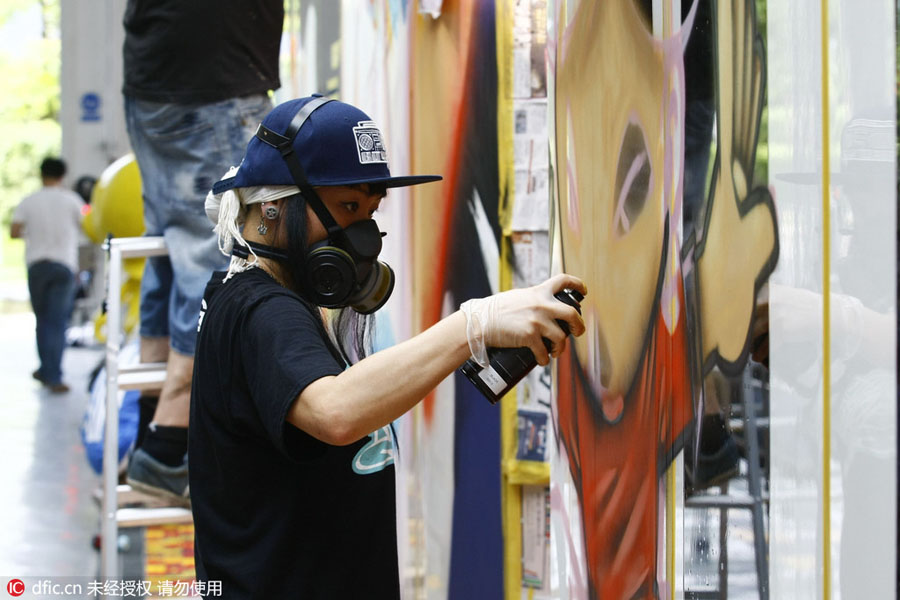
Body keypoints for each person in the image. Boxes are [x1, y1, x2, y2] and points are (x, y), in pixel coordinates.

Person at [191, 96, 587, 597]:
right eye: (347, 208)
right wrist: (472, 325)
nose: (362, 237)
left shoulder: (265, 300)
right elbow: (335, 412)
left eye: (370, 212)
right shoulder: (262, 309)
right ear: (273, 205)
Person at [121, 0, 284, 502]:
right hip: (212, 79)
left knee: (175, 246)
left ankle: (152, 428)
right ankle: (173, 444)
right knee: (222, 254)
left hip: (163, 73)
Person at [10, 157, 85, 394]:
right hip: (63, 266)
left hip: (37, 266)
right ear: (63, 176)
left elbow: (14, 231)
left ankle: (46, 369)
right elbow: (89, 225)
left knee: (42, 321)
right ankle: (53, 375)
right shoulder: (72, 200)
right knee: (58, 321)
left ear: (41, 174)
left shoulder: (28, 201)